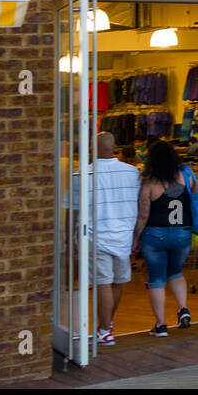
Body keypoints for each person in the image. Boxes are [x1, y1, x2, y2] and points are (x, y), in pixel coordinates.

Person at [81, 132, 141, 346]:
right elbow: (140, 205)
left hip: (97, 235)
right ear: (114, 147)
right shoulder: (132, 172)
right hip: (124, 235)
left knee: (103, 282)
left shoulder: (84, 173)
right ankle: (106, 326)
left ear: (93, 147)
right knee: (117, 282)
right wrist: (136, 234)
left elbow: (73, 209)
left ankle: (105, 330)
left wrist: (71, 238)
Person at [132, 140, 194, 337]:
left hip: (156, 235)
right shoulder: (186, 177)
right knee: (175, 272)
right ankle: (183, 309)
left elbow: (143, 216)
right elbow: (197, 200)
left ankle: (161, 325)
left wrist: (136, 239)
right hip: (182, 233)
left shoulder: (149, 182)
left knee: (157, 278)